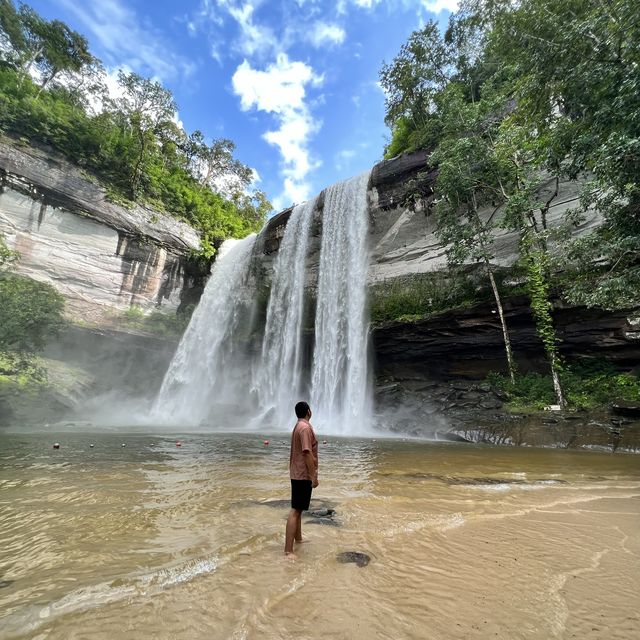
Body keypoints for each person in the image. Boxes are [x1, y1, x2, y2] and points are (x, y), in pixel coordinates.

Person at [284, 401, 318, 558]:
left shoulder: (299, 426)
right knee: (296, 510)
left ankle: (298, 539)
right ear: (308, 412)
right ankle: (288, 550)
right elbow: (306, 452)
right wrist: (313, 475)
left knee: (298, 509)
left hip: (297, 472)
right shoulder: (304, 428)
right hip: (302, 474)